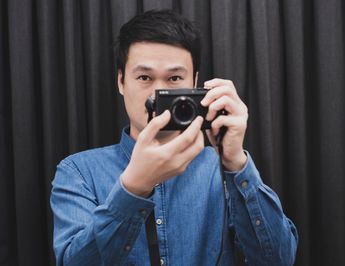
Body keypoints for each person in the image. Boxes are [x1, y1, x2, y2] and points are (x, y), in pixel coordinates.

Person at [50, 9, 298, 266]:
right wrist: (133, 187)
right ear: (121, 81)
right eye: (144, 77)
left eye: (174, 78)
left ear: (196, 82)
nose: (158, 93)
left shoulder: (220, 170)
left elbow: (278, 261)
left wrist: (236, 163)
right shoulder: (79, 172)